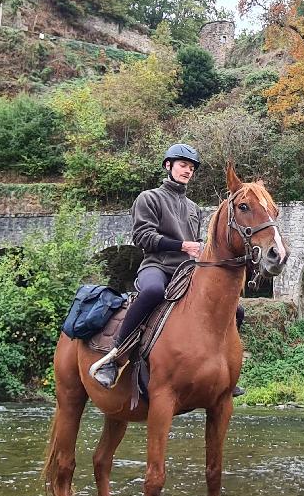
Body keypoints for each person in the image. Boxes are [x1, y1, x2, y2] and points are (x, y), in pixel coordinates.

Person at [92, 143, 245, 396]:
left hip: (188, 272)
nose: (188, 171)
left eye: (191, 168)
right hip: (157, 266)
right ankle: (114, 358)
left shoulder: (194, 208)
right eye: (183, 165)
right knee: (152, 291)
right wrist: (182, 245)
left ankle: (222, 370)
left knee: (235, 309)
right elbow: (143, 237)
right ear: (168, 166)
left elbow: (196, 245)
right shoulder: (149, 198)